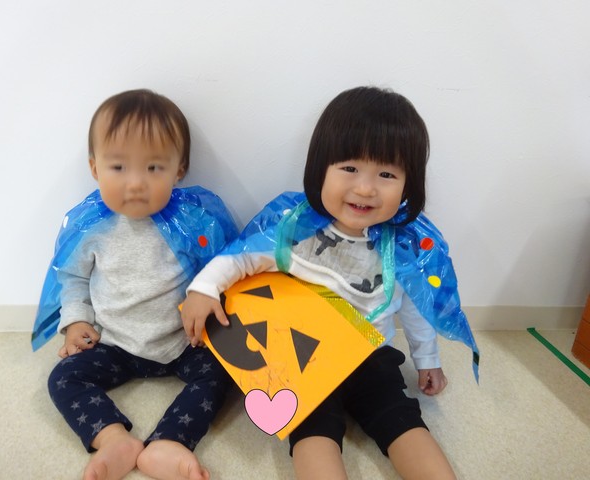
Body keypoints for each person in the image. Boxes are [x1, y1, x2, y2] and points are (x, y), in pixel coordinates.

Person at [181, 86, 478, 480]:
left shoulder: (401, 245)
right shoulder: (295, 230)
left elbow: (416, 307)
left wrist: (427, 360)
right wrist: (203, 288)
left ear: (408, 186)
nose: (366, 188)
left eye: (386, 174)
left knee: (402, 419)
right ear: (320, 169)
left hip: (371, 357)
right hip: (304, 360)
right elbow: (243, 258)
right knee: (313, 433)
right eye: (350, 169)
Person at [35, 89, 238, 480]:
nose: (135, 184)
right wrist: (76, 321)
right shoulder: (92, 229)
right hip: (114, 343)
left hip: (183, 342)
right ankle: (113, 439)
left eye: (153, 168)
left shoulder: (193, 223)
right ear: (95, 168)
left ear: (179, 170)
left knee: (227, 372)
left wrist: (208, 308)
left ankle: (171, 441)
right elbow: (73, 278)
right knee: (63, 377)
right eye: (118, 167)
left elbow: (219, 268)